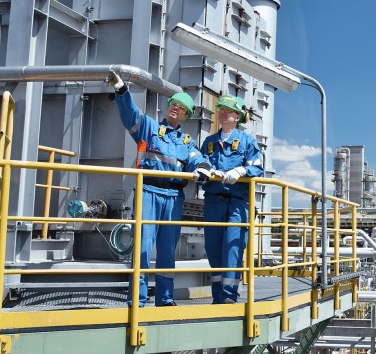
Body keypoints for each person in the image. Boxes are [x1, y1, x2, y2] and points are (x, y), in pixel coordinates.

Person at [106, 70, 211, 307]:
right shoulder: (150, 129)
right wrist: (122, 90)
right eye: (173, 104)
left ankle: (165, 298)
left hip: (174, 198)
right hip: (148, 193)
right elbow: (130, 115)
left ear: (186, 115)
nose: (175, 108)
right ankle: (137, 299)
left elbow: (197, 158)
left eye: (180, 107)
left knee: (166, 251)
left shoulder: (187, 143)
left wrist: (203, 168)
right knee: (142, 249)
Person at [199, 94, 264, 304]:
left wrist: (241, 170)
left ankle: (229, 297)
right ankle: (217, 295)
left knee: (233, 247)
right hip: (213, 201)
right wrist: (201, 170)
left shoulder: (247, 141)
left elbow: (258, 167)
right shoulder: (209, 142)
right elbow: (202, 164)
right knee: (213, 247)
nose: (222, 112)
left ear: (237, 116)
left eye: (227, 110)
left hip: (237, 203)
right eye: (220, 109)